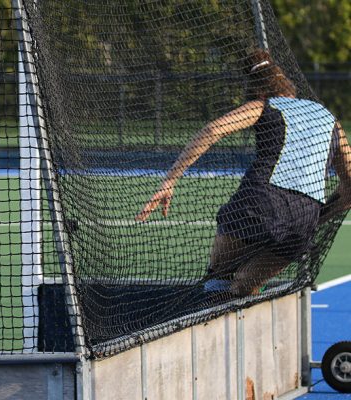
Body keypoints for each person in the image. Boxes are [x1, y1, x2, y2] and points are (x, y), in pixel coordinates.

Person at [135, 49, 351, 297]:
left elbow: (213, 130)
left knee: (220, 276)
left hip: (258, 204)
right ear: (290, 87)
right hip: (303, 220)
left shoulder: (264, 105)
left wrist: (170, 181)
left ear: (259, 92)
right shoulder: (329, 119)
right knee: (245, 286)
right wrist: (319, 215)